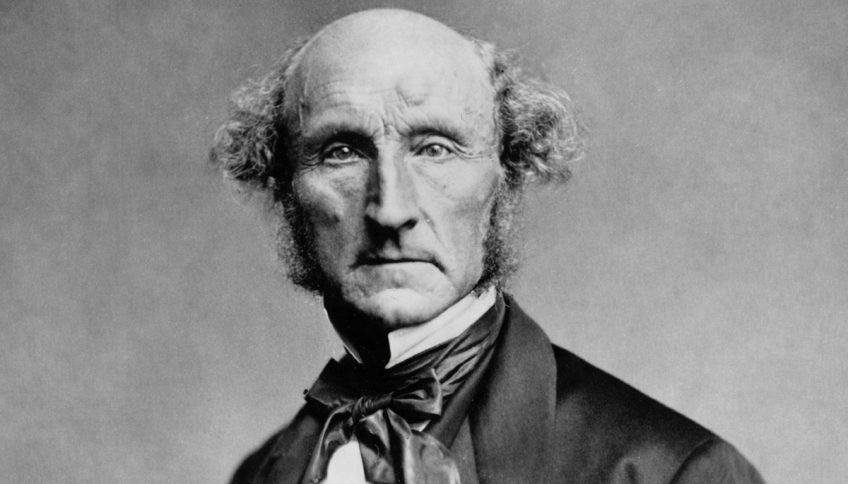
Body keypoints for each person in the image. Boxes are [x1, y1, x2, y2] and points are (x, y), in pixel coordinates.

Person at [211, 8, 764, 484]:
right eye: (342, 152)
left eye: (435, 149)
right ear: (284, 188)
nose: (390, 210)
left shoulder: (675, 473)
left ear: (507, 177)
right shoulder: (264, 471)